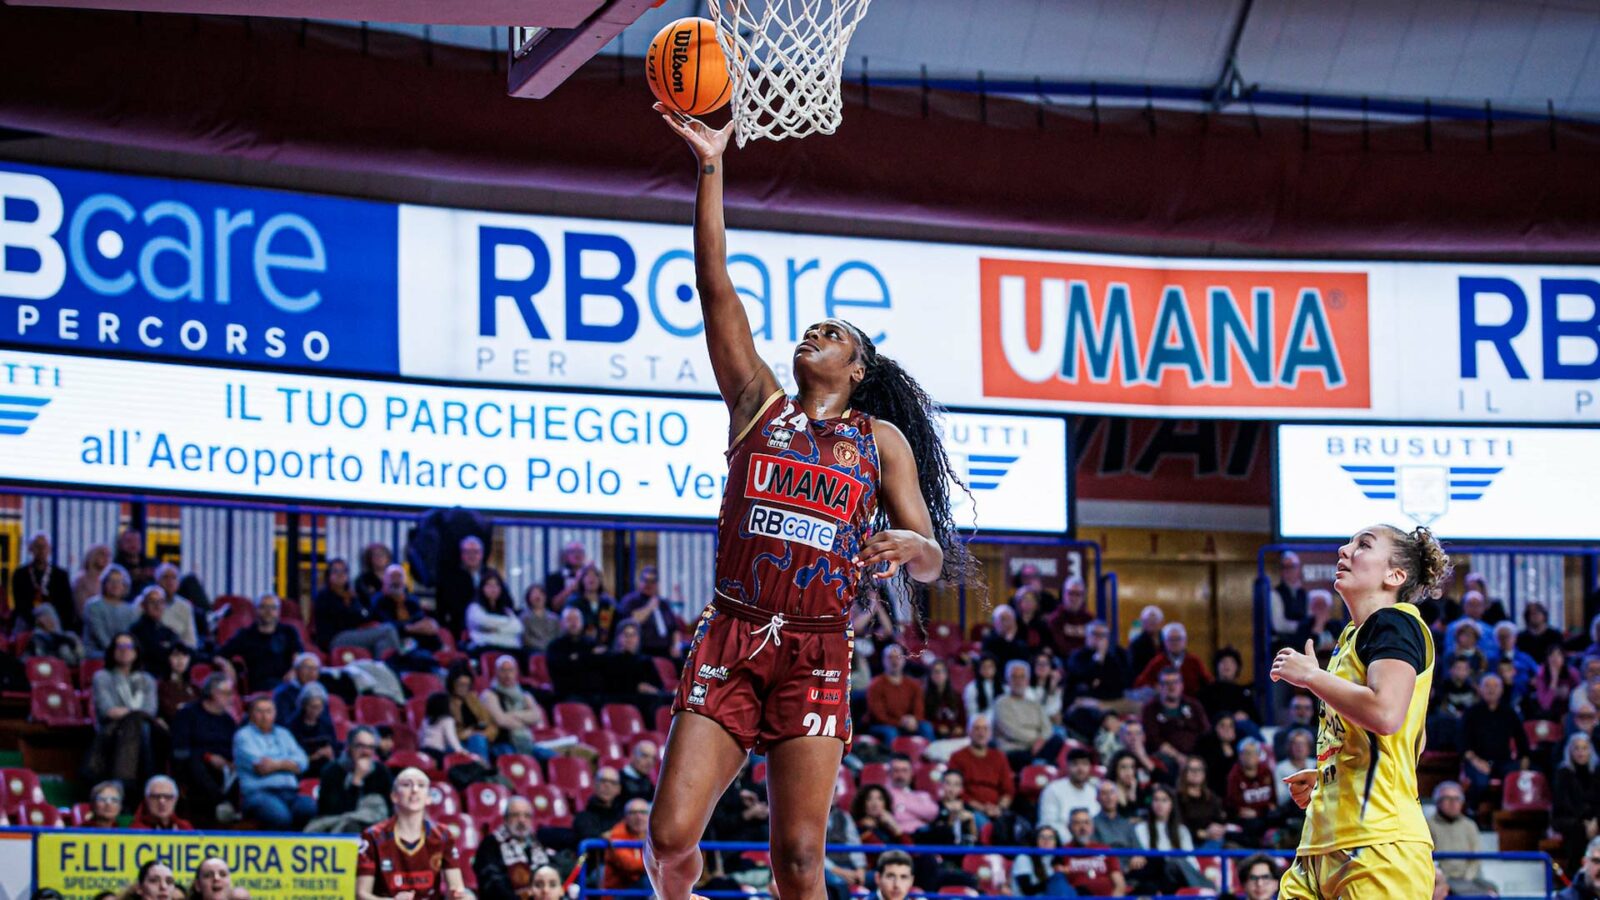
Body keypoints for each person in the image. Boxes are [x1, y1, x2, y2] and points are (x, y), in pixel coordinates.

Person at [648, 104, 977, 900]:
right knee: (668, 836)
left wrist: (912, 549)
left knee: (798, 858)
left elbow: (932, 557)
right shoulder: (757, 402)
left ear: (857, 368)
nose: (813, 335)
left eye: (831, 333)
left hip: (817, 650)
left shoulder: (879, 441)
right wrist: (710, 164)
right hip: (730, 633)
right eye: (810, 329)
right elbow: (713, 283)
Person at [1270, 524, 1450, 900]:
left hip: (1379, 845)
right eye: (1349, 543)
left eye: (1363, 545)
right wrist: (1329, 773)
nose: (1344, 550)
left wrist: (1312, 677)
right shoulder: (1352, 636)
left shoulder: (1396, 622)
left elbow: (1386, 714)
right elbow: (1410, 738)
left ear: (1395, 575)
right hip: (1323, 844)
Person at [356, 767, 468, 900]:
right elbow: (361, 894)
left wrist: (458, 896)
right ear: (394, 796)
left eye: (421, 785)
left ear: (428, 798)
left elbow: (456, 887)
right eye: (406, 785)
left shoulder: (444, 835)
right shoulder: (373, 836)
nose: (414, 790)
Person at [88, 632, 160, 794]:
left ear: (136, 652)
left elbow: (150, 711)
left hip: (145, 731)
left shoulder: (147, 680)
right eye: (119, 647)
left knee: (138, 725)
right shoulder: (103, 677)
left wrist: (129, 713)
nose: (124, 650)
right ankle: (128, 783)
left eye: (128, 647)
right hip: (112, 730)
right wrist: (135, 713)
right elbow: (108, 711)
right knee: (135, 725)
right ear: (112, 651)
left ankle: (121, 783)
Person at [234, 695, 314, 829]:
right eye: (260, 711)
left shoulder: (284, 734)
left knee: (309, 807)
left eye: (269, 711)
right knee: (280, 816)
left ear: (275, 713)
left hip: (289, 792)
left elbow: (303, 762)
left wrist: (275, 764)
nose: (265, 716)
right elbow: (262, 767)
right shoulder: (243, 736)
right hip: (259, 793)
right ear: (251, 714)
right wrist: (288, 764)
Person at [169, 674, 239, 825]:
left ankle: (233, 810)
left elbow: (233, 747)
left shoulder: (228, 721)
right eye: (226, 693)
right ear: (213, 693)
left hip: (223, 769)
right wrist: (207, 757)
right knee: (194, 763)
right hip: (191, 765)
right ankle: (221, 803)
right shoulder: (187, 714)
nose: (231, 697)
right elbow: (180, 748)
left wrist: (230, 762)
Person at [1459, 672, 1530, 807]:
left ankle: (1505, 813)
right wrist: (1477, 761)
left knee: (1518, 778)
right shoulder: (1471, 712)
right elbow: (1462, 742)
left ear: (1502, 690)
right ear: (1480, 689)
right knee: (1481, 782)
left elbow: (1521, 738)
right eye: (1487, 686)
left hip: (1503, 761)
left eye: (1495, 686)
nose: (1491, 689)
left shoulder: (1509, 712)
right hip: (1477, 761)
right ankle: (1473, 812)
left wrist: (1525, 758)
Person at [312, 558, 399, 658]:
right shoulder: (325, 596)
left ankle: (382, 669)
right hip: (335, 638)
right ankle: (401, 659)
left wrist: (363, 615)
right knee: (388, 629)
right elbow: (347, 618)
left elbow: (364, 614)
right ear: (328, 575)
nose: (340, 574)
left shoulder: (350, 595)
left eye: (344, 571)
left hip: (353, 633)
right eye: (335, 571)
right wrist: (361, 615)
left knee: (382, 642)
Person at [474, 795, 556, 900]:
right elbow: (491, 883)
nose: (522, 820)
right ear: (506, 819)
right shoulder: (491, 843)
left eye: (527, 816)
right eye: (516, 815)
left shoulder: (537, 843)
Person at [217, 594, 303, 691]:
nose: (268, 611)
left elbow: (298, 655)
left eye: (273, 608)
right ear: (255, 610)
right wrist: (226, 665)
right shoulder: (245, 635)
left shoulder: (289, 632)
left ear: (279, 612)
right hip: (261, 687)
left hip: (288, 683)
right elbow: (219, 654)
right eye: (263, 607)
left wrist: (294, 671)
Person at [1426, 781, 1496, 897]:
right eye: (1447, 798)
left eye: (1457, 799)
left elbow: (1476, 857)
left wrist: (1467, 877)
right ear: (1438, 802)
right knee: (1441, 889)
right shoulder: (1428, 825)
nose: (1453, 803)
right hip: (1444, 878)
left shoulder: (1469, 825)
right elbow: (1428, 857)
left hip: (1467, 878)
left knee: (1492, 889)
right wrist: (1439, 876)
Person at [316, 724, 394, 823]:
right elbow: (333, 812)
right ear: (349, 747)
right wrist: (356, 780)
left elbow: (389, 808)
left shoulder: (381, 771)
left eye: (370, 747)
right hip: (338, 827)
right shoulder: (331, 771)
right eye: (360, 746)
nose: (366, 752)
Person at [995, 658, 1059, 769]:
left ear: (1027, 680)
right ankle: (1040, 764)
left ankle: (1040, 764)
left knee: (1058, 739)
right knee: (1021, 757)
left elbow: (1047, 727)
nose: (1018, 681)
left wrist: (1042, 740)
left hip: (1036, 747)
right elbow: (1012, 731)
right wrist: (1037, 741)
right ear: (1007, 680)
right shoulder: (1001, 703)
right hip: (1015, 749)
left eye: (1022, 677)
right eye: (1014, 677)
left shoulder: (1034, 703)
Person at [945, 714, 1013, 819]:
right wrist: (982, 808)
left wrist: (999, 808)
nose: (981, 733)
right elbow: (955, 790)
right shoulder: (957, 757)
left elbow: (1008, 790)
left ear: (990, 733)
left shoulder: (999, 757)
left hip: (998, 810)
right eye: (977, 728)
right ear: (969, 732)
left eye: (985, 729)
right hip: (969, 808)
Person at [480, 655, 548, 757]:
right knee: (512, 758)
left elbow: (537, 716)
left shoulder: (525, 695)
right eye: (503, 670)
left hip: (526, 741)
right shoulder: (489, 695)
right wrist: (525, 721)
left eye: (511, 670)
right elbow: (501, 721)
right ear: (496, 672)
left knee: (551, 756)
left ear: (516, 672)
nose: (508, 675)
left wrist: (512, 714)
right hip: (502, 742)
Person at [11, 530, 75, 632]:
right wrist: (37, 620)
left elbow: (67, 605)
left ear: (50, 549)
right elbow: (20, 604)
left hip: (53, 619)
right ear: (30, 549)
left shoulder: (61, 575)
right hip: (29, 619)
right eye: (37, 546)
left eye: (44, 547)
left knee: (47, 609)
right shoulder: (20, 574)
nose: (41, 550)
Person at [1555, 733, 1600, 875]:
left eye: (1584, 748)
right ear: (1570, 751)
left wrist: (1596, 821)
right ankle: (1575, 876)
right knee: (1578, 830)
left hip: (1594, 819)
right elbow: (1564, 804)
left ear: (1590, 751)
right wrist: (1586, 822)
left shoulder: (1597, 772)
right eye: (1577, 749)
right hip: (1567, 818)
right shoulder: (1563, 773)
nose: (1581, 752)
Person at [1142, 666, 1211, 758]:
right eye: (1167, 683)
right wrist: (1179, 757)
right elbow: (1154, 740)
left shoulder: (1194, 705)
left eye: (1175, 682)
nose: (1172, 687)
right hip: (1167, 756)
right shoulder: (1150, 709)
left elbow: (1206, 731)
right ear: (1159, 687)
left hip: (1196, 754)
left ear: (1182, 685)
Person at [437, 534, 500, 634]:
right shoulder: (450, 577)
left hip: (493, 625)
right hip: (460, 628)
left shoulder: (492, 574)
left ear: (482, 554)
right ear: (462, 554)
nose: (472, 556)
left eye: (475, 552)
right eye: (467, 552)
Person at [618, 565, 685, 658]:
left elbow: (674, 629)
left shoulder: (663, 603)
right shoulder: (630, 601)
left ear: (657, 584)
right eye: (646, 580)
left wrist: (676, 646)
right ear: (639, 581)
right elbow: (632, 622)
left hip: (667, 650)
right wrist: (650, 607)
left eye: (653, 581)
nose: (648, 584)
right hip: (643, 650)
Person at [868, 644, 930, 743]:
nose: (894, 661)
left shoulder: (913, 684)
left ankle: (930, 757)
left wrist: (914, 719)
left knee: (926, 727)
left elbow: (919, 709)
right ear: (883, 660)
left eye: (898, 657)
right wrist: (900, 722)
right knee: (891, 732)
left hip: (908, 723)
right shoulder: (875, 684)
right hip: (883, 725)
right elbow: (879, 715)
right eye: (890, 657)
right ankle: (893, 758)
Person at [1063, 807, 1128, 896]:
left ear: (1092, 827)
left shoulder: (1105, 849)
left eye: (1086, 823)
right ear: (1069, 827)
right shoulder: (1063, 851)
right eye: (1077, 823)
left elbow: (1119, 884)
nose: (1083, 828)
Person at [1133, 623, 1213, 695]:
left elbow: (1209, 682)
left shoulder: (1194, 661)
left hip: (1191, 703)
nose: (1175, 643)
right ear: (1165, 642)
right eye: (1171, 639)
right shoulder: (1157, 661)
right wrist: (1155, 687)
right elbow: (1139, 683)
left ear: (1184, 641)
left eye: (1178, 639)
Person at [547, 607, 605, 700]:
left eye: (576, 619)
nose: (574, 623)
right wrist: (588, 656)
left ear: (582, 622)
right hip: (567, 693)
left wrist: (576, 657)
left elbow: (600, 665)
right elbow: (563, 667)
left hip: (594, 692)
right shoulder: (555, 646)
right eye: (569, 620)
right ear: (562, 624)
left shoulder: (592, 643)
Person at [1038, 748, 1100, 834]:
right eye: (1075, 764)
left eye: (1084, 764)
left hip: (1091, 844)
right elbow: (1048, 824)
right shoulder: (1053, 790)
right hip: (1061, 845)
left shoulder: (1094, 791)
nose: (1080, 769)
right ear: (1067, 766)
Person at [1067, 620, 1131, 702]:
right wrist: (1097, 659)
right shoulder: (1077, 656)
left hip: (1112, 700)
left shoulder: (1116, 655)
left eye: (1103, 635)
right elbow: (1085, 679)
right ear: (1087, 636)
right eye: (1095, 634)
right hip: (1085, 700)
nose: (1099, 638)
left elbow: (1122, 682)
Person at [82, 564, 138, 659]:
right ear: (104, 583)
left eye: (119, 581)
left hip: (124, 654)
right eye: (111, 581)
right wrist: (117, 653)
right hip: (97, 653)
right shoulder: (93, 605)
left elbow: (131, 637)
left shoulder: (130, 610)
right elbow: (100, 636)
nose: (115, 585)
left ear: (124, 586)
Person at [129, 587, 183, 679]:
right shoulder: (135, 630)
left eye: (161, 602)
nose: (157, 606)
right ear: (143, 605)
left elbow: (181, 648)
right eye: (152, 601)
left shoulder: (168, 631)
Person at [466, 572, 524, 654]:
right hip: (485, 647)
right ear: (482, 588)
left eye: (496, 585)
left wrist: (495, 629)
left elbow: (518, 627)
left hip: (509, 647)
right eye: (489, 585)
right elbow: (484, 622)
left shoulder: (507, 610)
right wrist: (506, 624)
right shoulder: (474, 608)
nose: (493, 589)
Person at [1011, 826, 1075, 897]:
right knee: (1058, 878)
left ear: (1056, 842)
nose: (1046, 840)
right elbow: (1027, 890)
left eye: (1051, 838)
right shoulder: (1023, 858)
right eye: (1042, 837)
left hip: (1047, 896)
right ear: (1035, 840)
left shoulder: (1054, 861)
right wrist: (1052, 878)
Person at [287, 682, 340, 767]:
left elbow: (333, 745)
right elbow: (291, 755)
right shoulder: (293, 725)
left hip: (324, 765)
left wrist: (330, 752)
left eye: (319, 707)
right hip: (303, 768)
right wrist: (315, 756)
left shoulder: (326, 724)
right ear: (304, 705)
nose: (316, 711)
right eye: (312, 707)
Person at [603, 799, 651, 892]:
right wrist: (658, 864)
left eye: (643, 812)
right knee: (651, 881)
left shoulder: (654, 833)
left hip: (641, 885)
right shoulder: (617, 834)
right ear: (625, 817)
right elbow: (630, 865)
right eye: (633, 813)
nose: (639, 817)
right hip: (619, 891)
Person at [151, 563, 201, 651]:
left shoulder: (185, 606)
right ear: (157, 581)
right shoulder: (145, 602)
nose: (170, 581)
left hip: (178, 654)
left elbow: (191, 640)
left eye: (174, 578)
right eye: (165, 577)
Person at [575, 766, 627, 841]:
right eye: (603, 781)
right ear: (594, 785)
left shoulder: (625, 817)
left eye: (613, 783)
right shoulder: (583, 818)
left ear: (619, 789)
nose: (607, 786)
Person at [569, 564, 618, 645]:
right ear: (582, 580)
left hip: (606, 647)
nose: (592, 578)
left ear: (600, 580)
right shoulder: (574, 602)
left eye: (595, 575)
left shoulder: (608, 602)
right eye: (587, 575)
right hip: (579, 646)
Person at [1047, 577, 1095, 657]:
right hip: (1063, 660)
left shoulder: (1090, 619)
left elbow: (1092, 645)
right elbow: (1060, 647)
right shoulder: (1055, 619)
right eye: (1070, 593)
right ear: (1063, 594)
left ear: (1083, 597)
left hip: (1085, 660)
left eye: (1078, 594)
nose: (1074, 598)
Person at [1271, 551, 1309, 646]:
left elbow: (1309, 618)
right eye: (1284, 567)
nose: (1288, 570)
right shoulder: (1275, 594)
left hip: (1302, 642)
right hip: (1282, 643)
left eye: (1291, 566)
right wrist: (1301, 626)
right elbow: (1278, 625)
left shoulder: (1304, 594)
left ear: (1298, 569)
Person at [72, 543, 113, 615]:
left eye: (108, 555)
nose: (106, 558)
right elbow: (82, 609)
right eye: (102, 554)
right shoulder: (81, 580)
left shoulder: (110, 580)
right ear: (92, 556)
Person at [520, 585, 561, 653]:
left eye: (540, 593)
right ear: (529, 598)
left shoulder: (555, 618)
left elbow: (559, 636)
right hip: (532, 651)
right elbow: (525, 638)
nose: (538, 596)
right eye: (534, 593)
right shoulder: (524, 617)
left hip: (552, 651)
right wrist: (541, 647)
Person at [114, 529, 157, 594]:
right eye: (129, 541)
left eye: (136, 541)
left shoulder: (152, 562)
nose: (133, 544)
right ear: (120, 544)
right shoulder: (116, 564)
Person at [1127, 606, 1165, 678]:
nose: (1151, 623)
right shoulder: (1136, 644)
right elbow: (1133, 670)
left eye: (1154, 620)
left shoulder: (1167, 641)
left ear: (1161, 622)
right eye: (1148, 620)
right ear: (1142, 622)